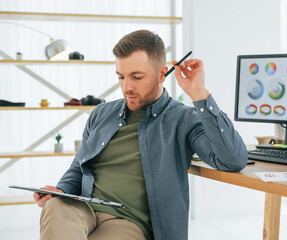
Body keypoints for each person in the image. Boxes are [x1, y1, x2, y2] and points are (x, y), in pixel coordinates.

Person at [34, 29, 248, 240]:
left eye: (136, 77)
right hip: (83, 208)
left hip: (128, 221)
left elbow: (233, 160)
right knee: (55, 206)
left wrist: (199, 93)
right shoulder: (101, 113)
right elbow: (78, 167)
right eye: (121, 77)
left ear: (162, 73)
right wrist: (61, 190)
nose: (127, 87)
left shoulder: (183, 119)